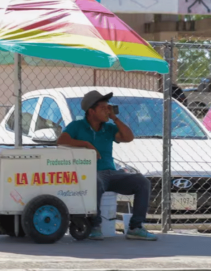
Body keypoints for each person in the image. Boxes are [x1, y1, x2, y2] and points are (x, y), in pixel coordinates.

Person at [57, 90, 158, 241]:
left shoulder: (109, 128)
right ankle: (94, 226)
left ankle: (135, 228)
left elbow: (128, 137)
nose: (107, 110)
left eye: (108, 107)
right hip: (91, 174)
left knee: (142, 182)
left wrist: (114, 118)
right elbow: (61, 140)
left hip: (111, 173)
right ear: (91, 111)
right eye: (103, 108)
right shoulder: (77, 126)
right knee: (95, 181)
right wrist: (86, 144)